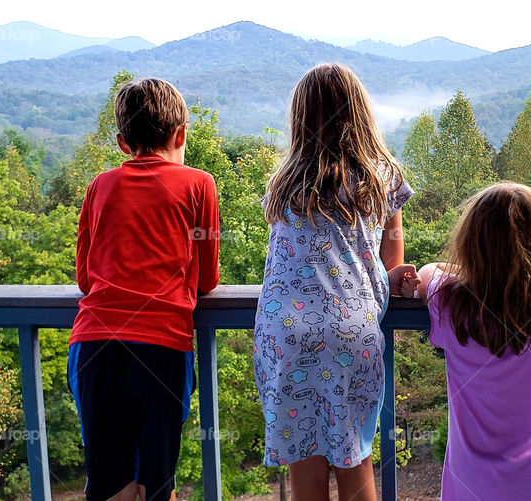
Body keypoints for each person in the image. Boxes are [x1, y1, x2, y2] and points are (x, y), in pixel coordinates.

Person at [254, 63, 417, 501]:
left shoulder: (282, 185)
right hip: (351, 336)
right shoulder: (382, 181)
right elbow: (388, 263)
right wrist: (396, 278)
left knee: (305, 469)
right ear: (360, 114)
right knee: (355, 461)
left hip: (284, 336)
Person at [68, 78, 220, 501]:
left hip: (93, 343)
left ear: (122, 142)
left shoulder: (99, 186)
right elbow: (207, 279)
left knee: (109, 486)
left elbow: (85, 278)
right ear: (181, 134)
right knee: (157, 487)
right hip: (161, 346)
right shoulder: (199, 185)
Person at [417, 182, 531, 501]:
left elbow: (425, 274)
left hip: (474, 483)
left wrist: (469, 273)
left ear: (469, 243)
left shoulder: (449, 301)